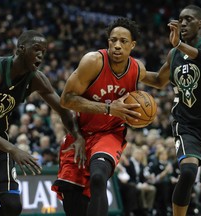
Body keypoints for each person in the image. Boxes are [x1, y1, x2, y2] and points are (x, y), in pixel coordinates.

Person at [0, 30, 85, 216]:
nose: (41, 55)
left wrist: (78, 136)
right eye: (36, 49)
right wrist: (14, 149)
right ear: (21, 49)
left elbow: (63, 109)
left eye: (44, 52)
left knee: (12, 206)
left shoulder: (36, 79)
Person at [52, 17, 150, 216]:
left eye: (123, 41)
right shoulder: (93, 61)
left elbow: (159, 79)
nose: (117, 45)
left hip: (110, 134)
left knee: (98, 177)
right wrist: (108, 108)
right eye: (113, 40)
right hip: (81, 133)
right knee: (73, 198)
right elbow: (66, 100)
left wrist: (176, 53)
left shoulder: (137, 68)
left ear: (132, 45)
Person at [143, 5, 201, 216]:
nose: (183, 23)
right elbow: (158, 80)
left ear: (200, 23)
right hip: (187, 124)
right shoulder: (174, 53)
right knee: (188, 171)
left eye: (189, 19)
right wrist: (130, 70)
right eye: (180, 19)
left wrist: (181, 45)